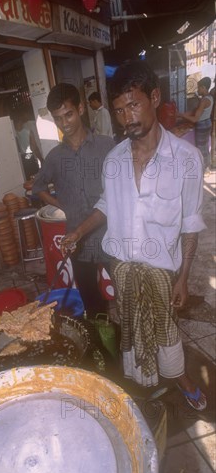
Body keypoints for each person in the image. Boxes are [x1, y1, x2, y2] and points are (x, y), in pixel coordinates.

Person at [61, 61, 207, 411]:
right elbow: (106, 205)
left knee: (167, 335)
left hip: (161, 272)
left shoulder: (187, 158)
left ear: (154, 97)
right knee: (132, 332)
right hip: (124, 269)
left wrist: (183, 277)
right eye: (120, 110)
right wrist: (78, 231)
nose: (128, 117)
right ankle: (146, 384)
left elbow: (190, 223)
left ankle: (181, 379)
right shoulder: (113, 161)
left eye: (134, 104)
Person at [32, 83, 115, 317]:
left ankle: (127, 343)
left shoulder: (106, 146)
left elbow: (122, 189)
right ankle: (103, 345)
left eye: (68, 114)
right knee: (91, 299)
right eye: (58, 119)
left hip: (112, 235)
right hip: (77, 242)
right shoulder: (55, 157)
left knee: (124, 293)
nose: (64, 123)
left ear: (80, 109)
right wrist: (63, 205)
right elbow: (38, 187)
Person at [177, 76, 213, 173]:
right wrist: (180, 115)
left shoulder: (204, 101)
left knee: (201, 148)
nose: (198, 90)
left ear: (204, 88)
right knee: (204, 146)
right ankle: (207, 167)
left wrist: (182, 116)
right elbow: (194, 111)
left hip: (202, 125)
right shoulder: (209, 97)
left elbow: (195, 119)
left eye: (199, 88)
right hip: (207, 123)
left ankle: (203, 169)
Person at [12, 108, 44, 181]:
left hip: (20, 159)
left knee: (26, 179)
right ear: (20, 120)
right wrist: (41, 159)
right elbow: (34, 147)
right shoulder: (28, 132)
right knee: (35, 179)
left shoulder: (13, 134)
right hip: (29, 157)